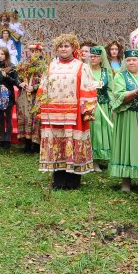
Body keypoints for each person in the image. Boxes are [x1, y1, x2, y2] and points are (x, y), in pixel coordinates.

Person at [37, 34, 97, 189]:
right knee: (57, 146)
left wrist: (87, 110)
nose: (63, 49)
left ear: (73, 48)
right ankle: (58, 180)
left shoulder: (81, 66)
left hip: (74, 114)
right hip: (53, 114)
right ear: (56, 49)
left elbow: (88, 88)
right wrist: (40, 108)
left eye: (66, 46)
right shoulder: (50, 67)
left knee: (71, 145)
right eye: (60, 46)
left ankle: (72, 181)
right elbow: (43, 88)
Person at [109, 49, 138, 193]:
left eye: (134, 59)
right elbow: (119, 95)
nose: (132, 62)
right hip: (127, 116)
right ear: (125, 62)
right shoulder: (120, 77)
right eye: (128, 60)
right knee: (127, 145)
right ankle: (125, 182)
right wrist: (136, 92)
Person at [15, 44, 46, 152]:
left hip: (36, 96)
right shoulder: (24, 64)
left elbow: (45, 81)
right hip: (24, 96)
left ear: (40, 52)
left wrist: (34, 87)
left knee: (35, 118)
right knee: (24, 116)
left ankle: (36, 144)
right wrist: (21, 83)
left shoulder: (43, 66)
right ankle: (27, 143)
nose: (33, 53)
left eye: (36, 51)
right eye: (32, 51)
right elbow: (17, 77)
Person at [88, 46, 113, 169]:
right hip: (90, 106)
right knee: (95, 131)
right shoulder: (86, 70)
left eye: (96, 56)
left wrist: (112, 104)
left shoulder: (106, 71)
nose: (93, 58)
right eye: (91, 56)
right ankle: (94, 160)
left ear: (101, 58)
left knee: (105, 130)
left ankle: (105, 155)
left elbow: (111, 89)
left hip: (103, 105)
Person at [0, 47, 20, 148]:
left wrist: (6, 76)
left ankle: (8, 140)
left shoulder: (12, 67)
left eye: (2, 54)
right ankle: (2, 138)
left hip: (8, 95)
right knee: (0, 117)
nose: (0, 56)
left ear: (6, 55)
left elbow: (15, 81)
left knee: (8, 117)